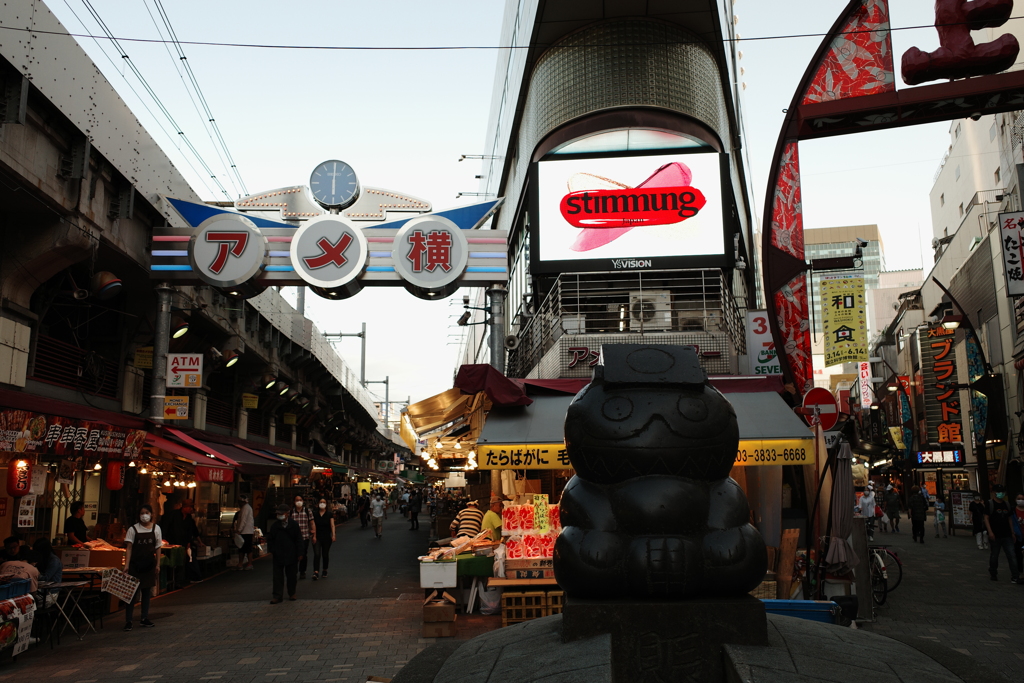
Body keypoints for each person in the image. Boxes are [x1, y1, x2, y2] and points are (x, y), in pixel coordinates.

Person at [122, 505, 161, 631]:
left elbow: (158, 547)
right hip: (135, 565)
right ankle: (128, 620)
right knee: (131, 593)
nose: (144, 515)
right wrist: (126, 565)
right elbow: (129, 548)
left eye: (146, 512)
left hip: (149, 565)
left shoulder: (156, 528)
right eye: (142, 513)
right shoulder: (133, 529)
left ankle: (144, 618)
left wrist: (158, 564)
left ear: (151, 514)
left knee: (146, 592)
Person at [984, 485, 1022, 584]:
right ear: (994, 492)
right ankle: (993, 572)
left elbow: (1009, 518)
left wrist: (1012, 532)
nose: (1001, 494)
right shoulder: (990, 503)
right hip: (995, 534)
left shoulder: (1007, 504)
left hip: (1007, 534)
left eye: (1002, 492)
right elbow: (986, 518)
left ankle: (1015, 576)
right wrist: (990, 532)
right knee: (994, 555)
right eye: (998, 491)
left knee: (1012, 555)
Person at [267, 504, 302, 603]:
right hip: (278, 554)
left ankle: (292, 593)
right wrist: (273, 550)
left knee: (291, 575)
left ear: (287, 514)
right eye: (278, 513)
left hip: (291, 553)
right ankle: (277, 596)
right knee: (277, 576)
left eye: (281, 513)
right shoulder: (275, 526)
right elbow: (270, 540)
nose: (279, 515)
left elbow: (299, 539)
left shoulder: (294, 525)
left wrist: (300, 552)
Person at [291, 495, 316, 578]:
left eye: (300, 500)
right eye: (297, 500)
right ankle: (293, 571)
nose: (299, 501)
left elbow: (312, 523)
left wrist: (314, 535)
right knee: (293, 554)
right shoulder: (291, 512)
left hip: (304, 537)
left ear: (303, 501)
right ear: (294, 502)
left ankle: (302, 571)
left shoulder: (307, 511)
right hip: (293, 538)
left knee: (303, 554)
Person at [181, 500, 205, 582]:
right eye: (190, 507)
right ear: (184, 507)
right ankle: (185, 578)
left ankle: (194, 577)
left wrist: (200, 541)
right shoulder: (174, 515)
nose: (191, 509)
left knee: (190, 559)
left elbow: (194, 531)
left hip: (187, 543)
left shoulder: (189, 519)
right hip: (176, 542)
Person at [311, 498, 335, 580]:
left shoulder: (329, 514)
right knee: (317, 554)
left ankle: (325, 569)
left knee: (325, 554)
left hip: (326, 537)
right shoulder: (314, 514)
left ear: (326, 504)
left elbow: (332, 525)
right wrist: (313, 536)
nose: (322, 503)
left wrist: (333, 535)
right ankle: (316, 571)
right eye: (320, 502)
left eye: (324, 502)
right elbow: (313, 525)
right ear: (318, 504)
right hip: (317, 537)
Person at [234, 494, 255, 572]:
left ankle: (248, 563)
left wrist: (239, 529)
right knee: (242, 548)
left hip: (245, 532)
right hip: (246, 531)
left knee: (246, 548)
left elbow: (243, 520)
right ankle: (241, 563)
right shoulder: (246, 508)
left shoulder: (245, 508)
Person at [1013, 493, 1024, 576]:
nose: (1020, 500)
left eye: (1022, 499)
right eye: (1019, 498)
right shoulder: (1013, 511)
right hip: (1017, 536)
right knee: (1018, 554)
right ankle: (1019, 570)